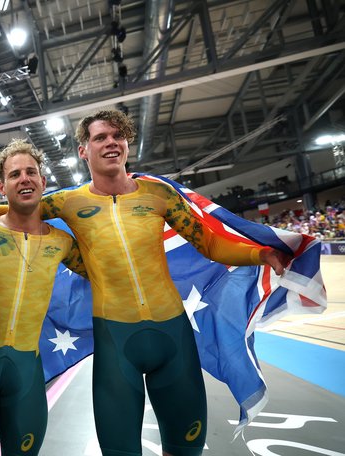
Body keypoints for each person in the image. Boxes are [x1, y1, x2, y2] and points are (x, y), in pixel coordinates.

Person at [39, 109, 291, 456]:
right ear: (83, 150)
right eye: (100, 137)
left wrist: (260, 255)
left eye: (118, 135)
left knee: (185, 450)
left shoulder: (159, 193)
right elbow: (6, 213)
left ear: (127, 143)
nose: (111, 142)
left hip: (173, 339)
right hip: (116, 345)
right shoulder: (67, 202)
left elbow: (210, 243)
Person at [0, 139, 88, 456]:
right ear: (2, 186)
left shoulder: (62, 243)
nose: (24, 179)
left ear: (43, 181)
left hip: (26, 370)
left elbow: (101, 273)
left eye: (31, 172)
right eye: (14, 175)